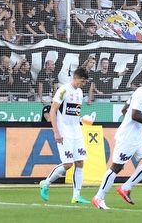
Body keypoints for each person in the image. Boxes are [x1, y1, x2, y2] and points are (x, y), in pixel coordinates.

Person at [92, 68, 142, 209]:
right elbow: (134, 115)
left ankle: (125, 188)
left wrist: (125, 107)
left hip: (137, 135)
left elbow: (127, 105)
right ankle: (98, 197)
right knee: (117, 167)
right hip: (127, 136)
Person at [39, 67, 91, 204]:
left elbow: (73, 113)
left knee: (80, 162)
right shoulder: (63, 90)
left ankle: (76, 196)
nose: (83, 84)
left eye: (85, 82)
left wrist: (82, 120)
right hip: (64, 132)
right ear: (75, 78)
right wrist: (56, 131)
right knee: (68, 164)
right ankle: (46, 183)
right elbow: (53, 111)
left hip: (76, 131)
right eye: (82, 81)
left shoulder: (79, 92)